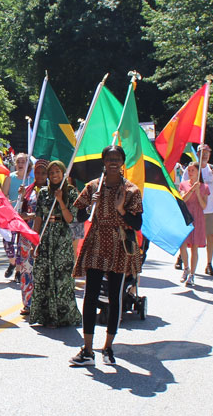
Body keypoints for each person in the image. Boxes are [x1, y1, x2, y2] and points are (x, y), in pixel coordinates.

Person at [70, 145, 143, 366]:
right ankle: (88, 348)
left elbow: (137, 223)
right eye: (109, 158)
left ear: (122, 162)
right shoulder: (93, 187)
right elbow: (78, 214)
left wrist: (121, 209)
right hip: (96, 242)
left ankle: (108, 347)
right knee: (90, 295)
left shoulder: (131, 191)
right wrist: (91, 204)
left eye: (117, 158)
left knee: (114, 297)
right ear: (103, 161)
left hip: (120, 244)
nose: (113, 162)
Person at [29, 160, 82, 328]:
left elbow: (71, 219)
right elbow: (38, 217)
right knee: (43, 275)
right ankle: (45, 315)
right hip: (46, 235)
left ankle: (63, 316)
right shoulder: (43, 193)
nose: (54, 175)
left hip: (62, 238)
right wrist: (34, 240)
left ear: (64, 173)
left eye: (57, 172)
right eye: (51, 173)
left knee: (61, 278)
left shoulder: (72, 193)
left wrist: (60, 200)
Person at [182, 144, 213, 276]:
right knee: (188, 238)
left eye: (207, 152)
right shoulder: (191, 169)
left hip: (209, 209)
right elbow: (183, 187)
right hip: (192, 209)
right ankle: (184, 262)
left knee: (210, 236)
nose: (205, 154)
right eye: (202, 152)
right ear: (198, 154)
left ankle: (209, 264)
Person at [16, 158, 48, 315]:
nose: (40, 176)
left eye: (43, 173)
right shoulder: (28, 190)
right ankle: (28, 303)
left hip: (45, 235)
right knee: (27, 270)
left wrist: (33, 215)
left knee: (43, 269)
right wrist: (21, 198)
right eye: (37, 172)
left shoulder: (52, 191)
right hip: (27, 236)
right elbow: (19, 213)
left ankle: (43, 304)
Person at [1, 152, 33, 278]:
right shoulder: (10, 178)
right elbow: (3, 197)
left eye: (23, 162)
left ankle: (19, 271)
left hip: (25, 215)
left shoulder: (31, 180)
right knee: (7, 240)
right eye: (18, 162)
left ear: (27, 164)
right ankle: (12, 262)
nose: (20, 164)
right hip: (12, 214)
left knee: (22, 244)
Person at [178, 162, 209, 286]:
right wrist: (191, 190)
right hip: (186, 216)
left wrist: (197, 192)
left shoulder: (204, 187)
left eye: (193, 170)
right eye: (189, 170)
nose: (190, 173)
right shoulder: (183, 185)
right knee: (183, 244)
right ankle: (186, 268)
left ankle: (192, 275)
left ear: (198, 172)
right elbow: (183, 200)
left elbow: (203, 205)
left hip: (198, 217)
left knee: (195, 246)